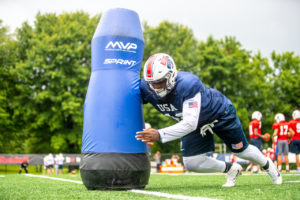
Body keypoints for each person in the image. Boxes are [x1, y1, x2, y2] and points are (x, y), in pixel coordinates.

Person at [135, 53, 282, 187]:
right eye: (152, 83)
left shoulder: (187, 84)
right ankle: (230, 169)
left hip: (219, 114)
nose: (156, 87)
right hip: (197, 123)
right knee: (192, 162)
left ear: (172, 75)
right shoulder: (146, 88)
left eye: (160, 82)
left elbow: (189, 123)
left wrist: (160, 134)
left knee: (241, 151)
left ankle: (268, 165)